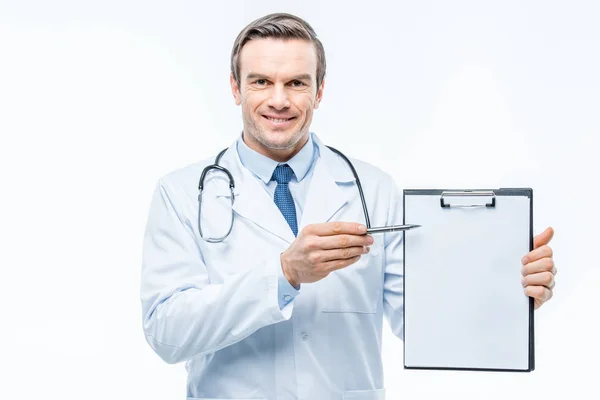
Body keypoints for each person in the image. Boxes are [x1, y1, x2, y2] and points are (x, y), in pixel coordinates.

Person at [141, 12, 557, 399]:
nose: (279, 100)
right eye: (261, 82)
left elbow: (425, 323)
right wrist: (284, 274)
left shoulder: (373, 191)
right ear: (235, 87)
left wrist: (506, 297)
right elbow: (166, 333)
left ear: (320, 91)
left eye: (297, 83)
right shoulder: (181, 194)